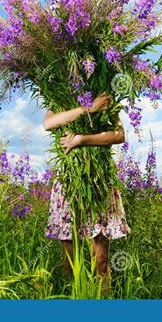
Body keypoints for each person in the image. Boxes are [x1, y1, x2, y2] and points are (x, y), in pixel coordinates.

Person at [43, 94, 131, 284]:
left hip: (99, 181)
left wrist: (81, 140)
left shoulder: (106, 91)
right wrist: (88, 109)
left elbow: (119, 135)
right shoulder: (59, 91)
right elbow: (49, 123)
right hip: (68, 181)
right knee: (70, 263)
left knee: (100, 262)